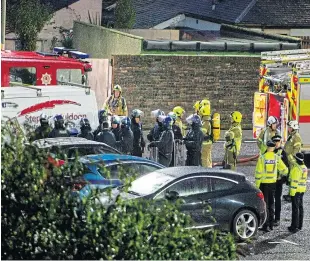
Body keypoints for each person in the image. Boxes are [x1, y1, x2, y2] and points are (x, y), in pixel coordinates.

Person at [255, 140, 288, 232]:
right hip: (273, 183)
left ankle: (265, 225)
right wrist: (279, 176)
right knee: (272, 203)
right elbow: (285, 170)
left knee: (265, 204)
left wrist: (257, 186)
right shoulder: (276, 157)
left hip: (264, 184)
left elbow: (258, 173)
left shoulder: (262, 158)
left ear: (267, 147)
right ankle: (271, 225)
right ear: (273, 148)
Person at [283, 120, 303, 202]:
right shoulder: (291, 136)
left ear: (293, 128)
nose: (288, 128)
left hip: (292, 161)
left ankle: (292, 195)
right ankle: (290, 194)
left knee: (292, 179)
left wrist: (291, 158)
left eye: (290, 127)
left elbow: (296, 150)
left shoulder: (296, 136)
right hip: (289, 159)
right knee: (290, 178)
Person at [288, 153, 308, 233]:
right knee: (300, 207)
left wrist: (291, 193)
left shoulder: (297, 168)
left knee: (295, 209)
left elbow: (294, 182)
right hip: (302, 189)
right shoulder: (304, 168)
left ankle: (294, 226)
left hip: (296, 191)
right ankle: (300, 225)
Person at [272, 135, 289, 226]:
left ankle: (277, 218)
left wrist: (285, 179)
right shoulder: (269, 151)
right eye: (275, 142)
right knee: (270, 200)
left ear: (280, 142)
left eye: (278, 142)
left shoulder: (283, 152)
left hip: (278, 181)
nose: (276, 143)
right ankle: (270, 218)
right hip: (270, 180)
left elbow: (286, 167)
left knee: (277, 200)